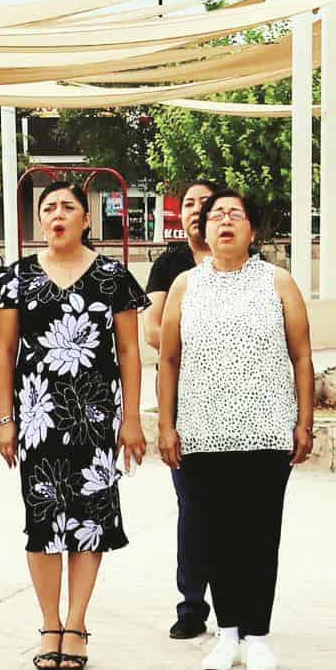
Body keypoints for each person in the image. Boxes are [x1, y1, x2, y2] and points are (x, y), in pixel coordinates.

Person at [0, 177, 147, 670]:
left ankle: (76, 623)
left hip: (97, 421)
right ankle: (49, 624)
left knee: (91, 521)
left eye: (67, 207)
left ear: (85, 218)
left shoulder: (112, 278)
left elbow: (129, 353)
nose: (57, 214)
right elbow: (4, 357)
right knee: (43, 522)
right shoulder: (18, 279)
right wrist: (4, 420)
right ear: (41, 220)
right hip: (37, 420)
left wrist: (132, 419)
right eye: (49, 208)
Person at [153, 184, 310, 670]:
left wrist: (304, 421)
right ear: (202, 228)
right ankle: (227, 632)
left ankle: (258, 633)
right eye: (216, 215)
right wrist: (166, 424)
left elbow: (302, 355)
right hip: (203, 431)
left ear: (253, 228)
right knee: (214, 534)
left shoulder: (277, 282)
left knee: (259, 534)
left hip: (265, 430)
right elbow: (170, 358)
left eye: (235, 215)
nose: (224, 222)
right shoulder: (186, 285)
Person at [146, 175, 217, 639]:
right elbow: (152, 329)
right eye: (188, 202)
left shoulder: (250, 264)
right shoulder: (169, 265)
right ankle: (191, 604)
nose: (196, 209)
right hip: (183, 393)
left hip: (238, 396)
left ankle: (238, 602)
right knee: (191, 505)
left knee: (236, 507)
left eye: (206, 202)